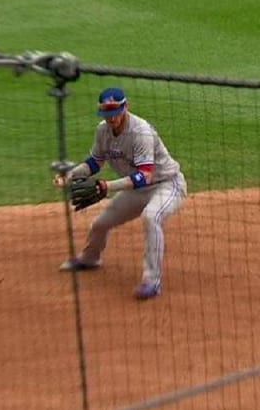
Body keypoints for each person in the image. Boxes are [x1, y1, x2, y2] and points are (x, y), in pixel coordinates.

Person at [54, 87, 188, 300]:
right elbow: (95, 163)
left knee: (151, 217)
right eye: (107, 113)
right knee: (100, 224)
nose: (111, 118)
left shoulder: (140, 132)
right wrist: (69, 175)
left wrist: (107, 186)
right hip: (136, 189)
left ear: (126, 107)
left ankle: (151, 281)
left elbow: (145, 176)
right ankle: (90, 258)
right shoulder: (102, 130)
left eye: (115, 112)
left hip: (166, 185)